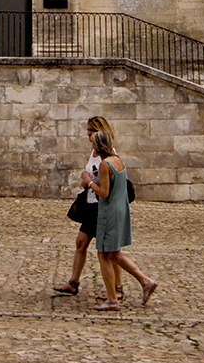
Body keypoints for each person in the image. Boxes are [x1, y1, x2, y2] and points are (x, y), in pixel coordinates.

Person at [53, 118, 159, 305]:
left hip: (103, 208)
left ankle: (117, 293)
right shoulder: (108, 158)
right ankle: (81, 284)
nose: (87, 134)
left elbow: (104, 191)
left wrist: (88, 182)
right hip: (101, 207)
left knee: (108, 252)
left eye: (90, 131)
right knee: (96, 247)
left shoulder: (107, 161)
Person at [88, 128, 157, 312]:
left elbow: (104, 192)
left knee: (103, 254)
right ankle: (145, 281)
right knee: (115, 253)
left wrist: (88, 182)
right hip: (120, 210)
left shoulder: (105, 165)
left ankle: (112, 299)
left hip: (109, 212)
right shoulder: (118, 161)